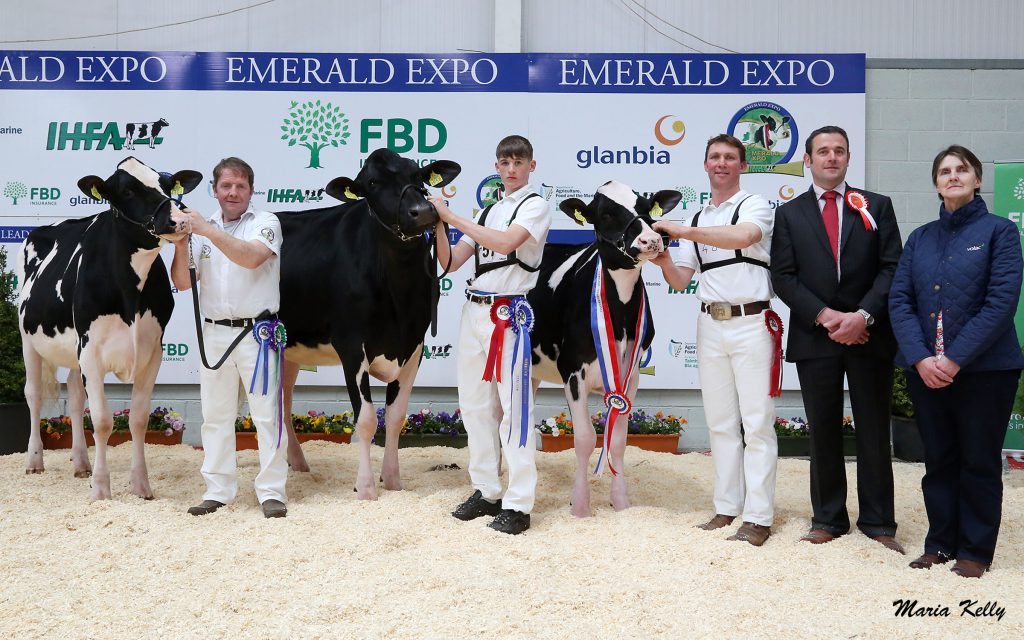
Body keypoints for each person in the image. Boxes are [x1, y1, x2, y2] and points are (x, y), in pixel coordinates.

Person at [889, 145, 1024, 578]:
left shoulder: (1000, 232)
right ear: (936, 183)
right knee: (939, 461)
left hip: (986, 371)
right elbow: (900, 301)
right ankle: (940, 544)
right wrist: (921, 358)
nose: (953, 176)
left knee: (978, 461)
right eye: (944, 171)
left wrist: (954, 359)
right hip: (926, 371)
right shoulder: (920, 238)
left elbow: (1000, 303)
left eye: (962, 170)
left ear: (977, 180)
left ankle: (975, 552)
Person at [770, 125, 904, 552]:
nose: (832, 157)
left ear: (848, 158)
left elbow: (893, 267)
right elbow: (783, 277)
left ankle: (879, 522)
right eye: (823, 151)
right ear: (808, 160)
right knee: (823, 431)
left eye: (840, 151)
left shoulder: (876, 206)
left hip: (869, 335)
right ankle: (828, 518)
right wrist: (827, 317)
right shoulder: (789, 214)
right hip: (817, 336)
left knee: (873, 430)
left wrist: (862, 316)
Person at [651, 133, 778, 547]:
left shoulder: (754, 205)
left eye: (729, 157)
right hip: (710, 323)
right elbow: (680, 280)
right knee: (720, 422)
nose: (721, 163)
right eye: (714, 157)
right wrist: (663, 257)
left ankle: (758, 516)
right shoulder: (698, 216)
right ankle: (727, 506)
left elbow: (743, 238)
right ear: (705, 165)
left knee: (756, 423)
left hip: (752, 321)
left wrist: (683, 230)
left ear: (743, 165)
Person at [428, 135, 551, 535]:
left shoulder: (535, 206)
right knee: (475, 406)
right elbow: (450, 262)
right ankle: (487, 490)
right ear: (496, 167)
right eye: (505, 162)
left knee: (514, 410)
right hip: (473, 310)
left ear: (531, 166)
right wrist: (438, 225)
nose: (511, 169)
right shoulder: (484, 211)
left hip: (508, 313)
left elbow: (506, 242)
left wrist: (451, 217)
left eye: (519, 162)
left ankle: (519, 504)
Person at [170, 157, 289, 519]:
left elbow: (252, 258)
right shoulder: (200, 231)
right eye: (226, 185)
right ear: (214, 190)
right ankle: (218, 491)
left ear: (251, 190)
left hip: (258, 334)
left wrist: (206, 231)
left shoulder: (265, 223)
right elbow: (183, 282)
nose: (233, 192)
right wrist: (181, 244)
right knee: (215, 416)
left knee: (267, 416)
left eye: (240, 186)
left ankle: (271, 492)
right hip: (214, 332)